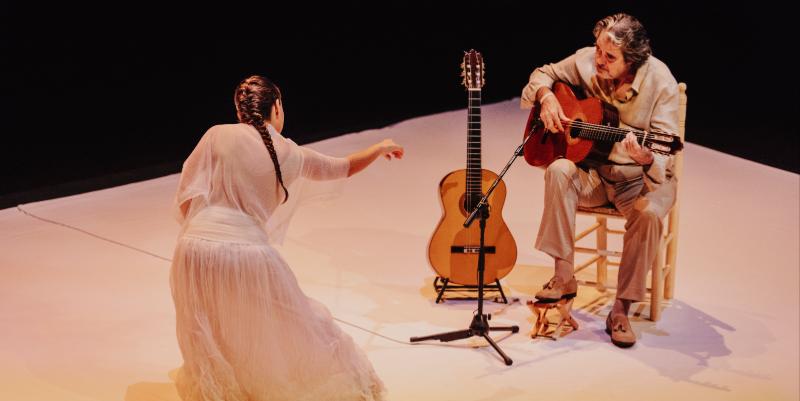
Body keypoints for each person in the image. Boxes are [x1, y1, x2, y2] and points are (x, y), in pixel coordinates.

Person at [170, 75, 403, 400]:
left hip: (193, 247)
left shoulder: (217, 135)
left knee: (215, 327)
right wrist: (379, 148)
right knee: (295, 322)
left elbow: (188, 187)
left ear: (241, 112)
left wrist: (199, 230)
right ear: (276, 107)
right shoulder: (291, 154)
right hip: (247, 251)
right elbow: (343, 167)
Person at [520, 13, 679, 347]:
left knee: (649, 215)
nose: (599, 61)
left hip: (640, 179)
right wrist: (547, 97)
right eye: (597, 50)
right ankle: (564, 277)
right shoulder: (588, 62)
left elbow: (663, 153)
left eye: (610, 57)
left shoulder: (661, 83)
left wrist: (646, 157)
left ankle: (621, 309)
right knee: (559, 169)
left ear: (632, 60)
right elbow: (542, 74)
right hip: (595, 174)